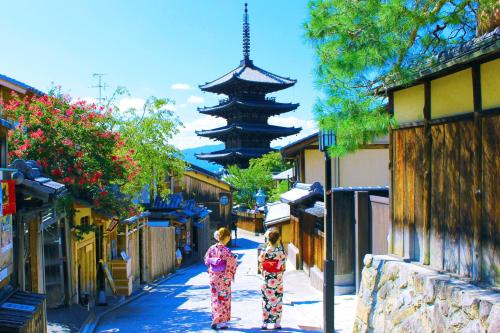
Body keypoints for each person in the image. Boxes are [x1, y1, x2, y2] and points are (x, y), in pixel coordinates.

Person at [204, 227, 238, 330]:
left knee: (215, 298)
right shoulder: (227, 251)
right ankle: (222, 322)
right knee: (224, 298)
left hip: (214, 276)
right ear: (226, 237)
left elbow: (206, 260)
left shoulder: (211, 248)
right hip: (224, 278)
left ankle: (215, 320)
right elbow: (233, 263)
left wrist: (213, 262)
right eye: (229, 236)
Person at [258, 228, 287, 330]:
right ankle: (277, 323)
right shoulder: (280, 250)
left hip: (267, 278)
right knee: (277, 300)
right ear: (278, 239)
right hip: (277, 278)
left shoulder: (265, 249)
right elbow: (283, 259)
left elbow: (260, 260)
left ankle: (265, 323)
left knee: (266, 300)